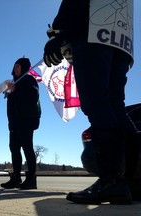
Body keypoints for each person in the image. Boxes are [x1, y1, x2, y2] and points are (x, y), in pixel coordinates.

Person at [43, 0, 134, 204]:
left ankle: (111, 181)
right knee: (115, 105)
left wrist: (60, 35)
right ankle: (130, 182)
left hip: (93, 31)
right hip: (121, 36)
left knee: (97, 102)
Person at [0, 58, 41, 190]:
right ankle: (16, 177)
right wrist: (10, 92)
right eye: (15, 66)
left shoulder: (29, 80)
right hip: (14, 122)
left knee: (27, 148)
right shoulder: (14, 82)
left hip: (26, 121)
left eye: (18, 66)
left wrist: (15, 90)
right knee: (14, 148)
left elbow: (32, 98)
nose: (15, 68)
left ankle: (31, 179)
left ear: (24, 68)